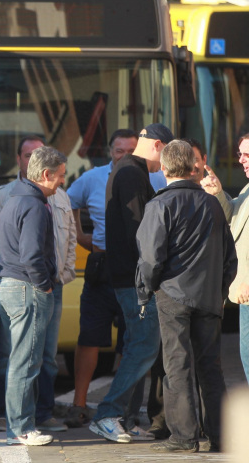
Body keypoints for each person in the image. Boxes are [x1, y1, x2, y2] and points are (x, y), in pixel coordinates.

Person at [136, 140, 237, 453]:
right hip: (208, 298)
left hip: (173, 296)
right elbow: (229, 259)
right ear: (194, 167)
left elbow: (150, 258)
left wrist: (147, 288)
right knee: (211, 368)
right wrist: (219, 292)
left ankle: (184, 436)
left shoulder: (160, 205)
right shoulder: (212, 205)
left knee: (177, 366)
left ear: (164, 169)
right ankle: (220, 436)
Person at [88, 122, 174, 444]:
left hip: (129, 276)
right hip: (134, 279)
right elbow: (143, 233)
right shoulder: (132, 174)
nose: (162, 166)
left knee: (138, 345)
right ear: (157, 146)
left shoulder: (127, 171)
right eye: (164, 155)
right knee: (144, 345)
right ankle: (107, 414)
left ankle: (123, 416)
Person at [0, 136, 76, 434]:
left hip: (17, 286)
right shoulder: (35, 205)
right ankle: (22, 427)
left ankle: (21, 424)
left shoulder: (19, 198)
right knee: (25, 363)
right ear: (46, 175)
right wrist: (45, 286)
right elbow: (32, 255)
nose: (64, 180)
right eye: (61, 175)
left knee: (25, 360)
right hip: (27, 288)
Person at [65, 130, 146, 437]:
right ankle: (79, 403)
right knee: (90, 336)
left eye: (130, 151)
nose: (123, 156)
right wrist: (78, 237)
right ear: (109, 152)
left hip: (135, 268)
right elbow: (66, 201)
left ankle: (123, 408)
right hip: (100, 264)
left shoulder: (149, 177)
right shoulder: (93, 177)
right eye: (117, 150)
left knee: (130, 339)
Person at [201, 133, 249, 384]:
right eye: (240, 154)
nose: (242, 159)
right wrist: (218, 193)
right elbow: (234, 216)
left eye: (247, 154)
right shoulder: (247, 188)